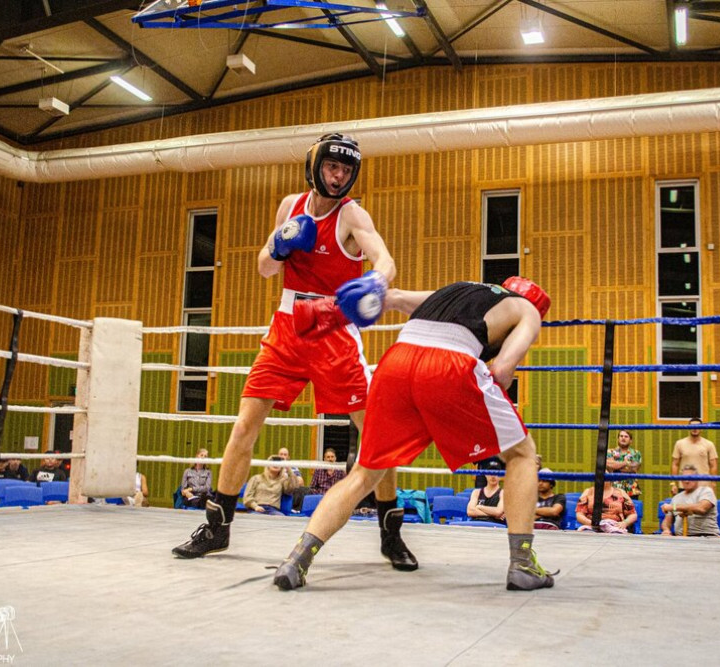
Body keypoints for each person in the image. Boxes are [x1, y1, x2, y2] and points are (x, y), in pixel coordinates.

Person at [172, 133, 417, 572]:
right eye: (332, 167)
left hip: (333, 328)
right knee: (246, 424)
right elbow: (265, 266)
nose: (338, 176)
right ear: (316, 166)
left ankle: (390, 531)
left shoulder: (352, 214)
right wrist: (281, 245)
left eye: (345, 170)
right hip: (287, 325)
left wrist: (377, 282)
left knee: (374, 432)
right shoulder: (291, 206)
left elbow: (385, 259)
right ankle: (217, 526)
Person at [273, 276, 557, 591]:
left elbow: (391, 297)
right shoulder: (528, 312)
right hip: (451, 364)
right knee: (521, 454)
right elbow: (502, 370)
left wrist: (336, 309)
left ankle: (296, 560)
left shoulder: (457, 290)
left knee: (365, 473)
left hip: (395, 364)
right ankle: (523, 564)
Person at [660, 465, 720, 537]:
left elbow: (701, 508)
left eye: (690, 478)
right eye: (684, 478)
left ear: (697, 478)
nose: (687, 481)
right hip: (680, 539)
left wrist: (674, 507)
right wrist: (666, 529)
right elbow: (667, 521)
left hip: (706, 537)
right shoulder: (676, 498)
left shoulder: (706, 491)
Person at [671, 418, 718, 488]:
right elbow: (675, 464)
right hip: (685, 484)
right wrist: (673, 484)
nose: (695, 428)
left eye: (698, 426)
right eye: (692, 426)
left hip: (703, 485)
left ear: (702, 428)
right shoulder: (679, 443)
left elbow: (713, 465)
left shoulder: (709, 444)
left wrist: (713, 483)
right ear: (688, 428)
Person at [467, 458, 505, 524]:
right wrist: (492, 515)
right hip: (476, 526)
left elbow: (498, 512)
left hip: (494, 529)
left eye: (496, 473)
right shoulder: (476, 492)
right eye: (490, 473)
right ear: (485, 474)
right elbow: (470, 511)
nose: (493, 476)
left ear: (500, 475)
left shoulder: (503, 493)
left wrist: (479, 507)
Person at [606, 429, 641, 499]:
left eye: (626, 436)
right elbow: (610, 465)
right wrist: (625, 463)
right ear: (618, 438)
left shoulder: (636, 453)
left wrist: (616, 466)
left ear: (631, 440)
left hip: (631, 490)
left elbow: (633, 469)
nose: (623, 438)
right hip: (614, 489)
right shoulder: (610, 452)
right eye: (621, 436)